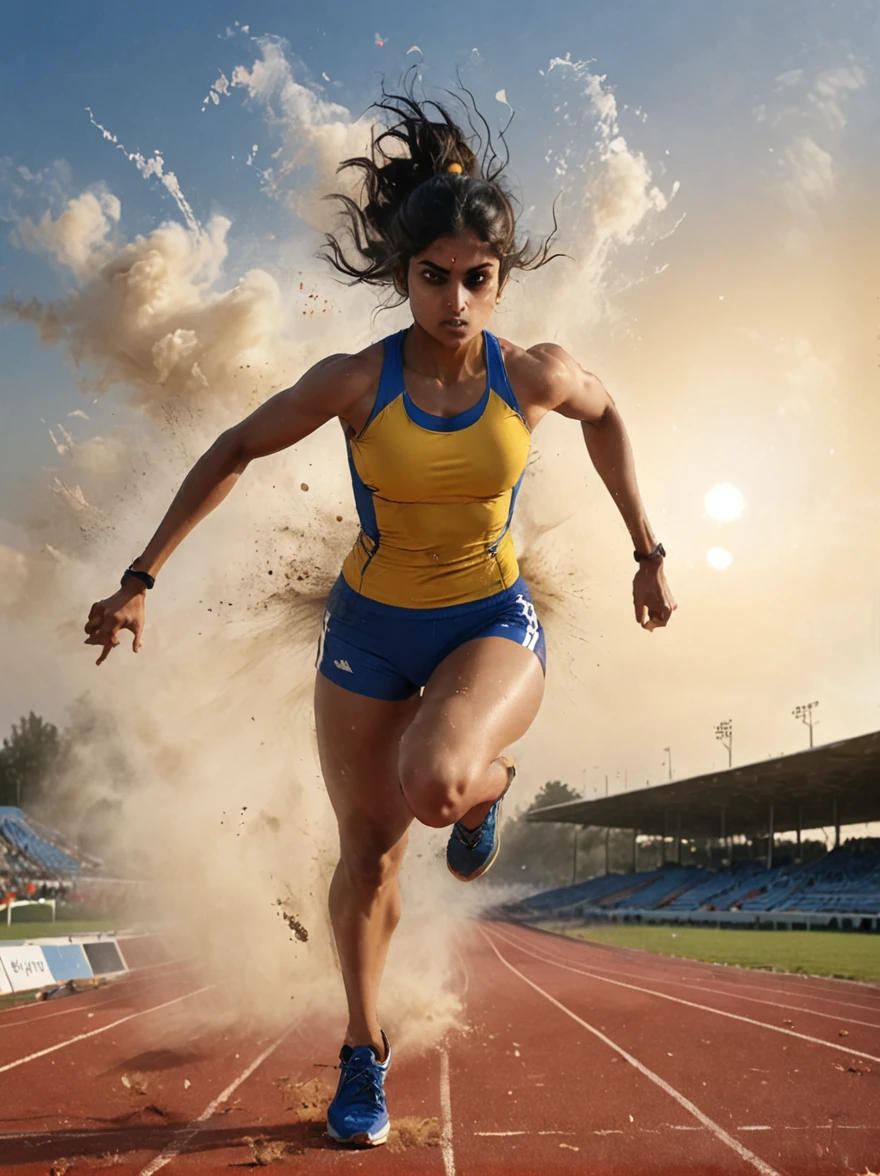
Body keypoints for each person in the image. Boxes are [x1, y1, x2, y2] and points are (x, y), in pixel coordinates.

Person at [84, 88, 676, 1148]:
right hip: (366, 632)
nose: (455, 301)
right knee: (368, 854)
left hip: (491, 622)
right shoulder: (357, 383)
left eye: (476, 280)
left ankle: (484, 786)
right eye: (434, 279)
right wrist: (141, 576)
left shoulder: (530, 374)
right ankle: (363, 1050)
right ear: (405, 278)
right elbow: (233, 448)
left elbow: (611, 413)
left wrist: (647, 551)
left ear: (502, 280)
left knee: (438, 781)